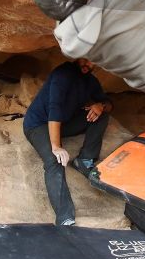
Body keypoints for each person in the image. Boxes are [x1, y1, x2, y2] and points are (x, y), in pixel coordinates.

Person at [23, 58, 112, 226]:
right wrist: (56, 147)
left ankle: (85, 161)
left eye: (93, 62)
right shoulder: (62, 75)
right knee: (54, 160)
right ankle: (64, 217)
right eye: (86, 59)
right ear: (77, 55)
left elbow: (109, 103)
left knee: (102, 116)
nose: (88, 65)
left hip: (64, 123)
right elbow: (54, 109)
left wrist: (100, 105)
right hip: (39, 125)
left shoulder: (90, 81)